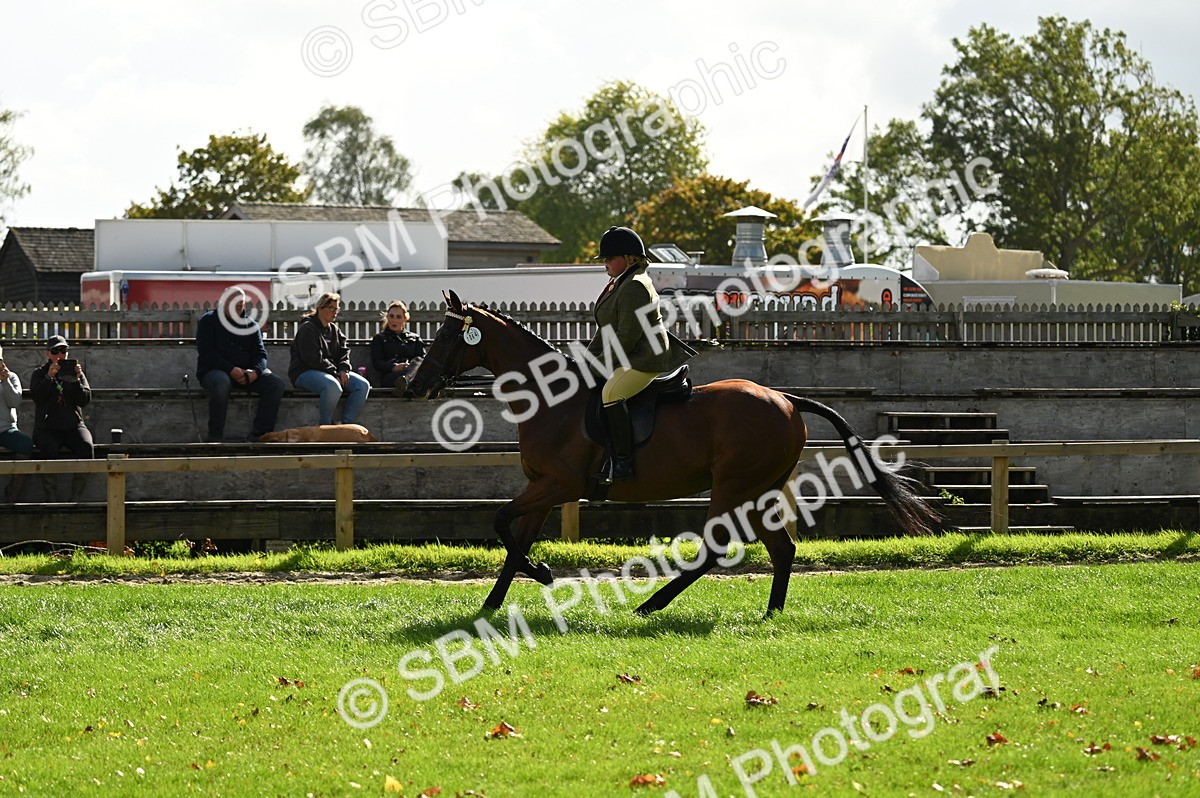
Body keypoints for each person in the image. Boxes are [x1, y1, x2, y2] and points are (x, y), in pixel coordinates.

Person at [585, 226, 696, 483]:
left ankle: (623, 462)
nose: (605, 263)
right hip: (630, 354)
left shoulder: (634, 286)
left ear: (630, 258)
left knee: (611, 393)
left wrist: (598, 367)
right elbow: (605, 331)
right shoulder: (619, 284)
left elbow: (626, 337)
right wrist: (587, 363)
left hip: (645, 358)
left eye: (610, 258)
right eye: (604, 259)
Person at [196, 287, 286, 442]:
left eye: (241, 302)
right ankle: (215, 437)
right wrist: (231, 370)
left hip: (247, 374)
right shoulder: (208, 321)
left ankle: (260, 435)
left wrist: (255, 372)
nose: (238, 305)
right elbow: (207, 353)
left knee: (276, 384)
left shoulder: (252, 325)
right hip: (215, 371)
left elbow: (261, 354)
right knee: (221, 383)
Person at [288, 292, 370, 425]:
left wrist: (344, 369)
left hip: (331, 372)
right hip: (304, 372)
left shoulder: (334, 330)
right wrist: (335, 372)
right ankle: (325, 425)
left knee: (362, 386)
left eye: (337, 309)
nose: (335, 312)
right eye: (331, 308)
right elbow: (313, 358)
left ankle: (344, 424)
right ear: (320, 308)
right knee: (333, 387)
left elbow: (344, 352)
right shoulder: (308, 328)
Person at [30, 334, 94, 500]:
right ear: (48, 353)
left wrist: (76, 381)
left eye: (63, 350)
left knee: (86, 446)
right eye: (55, 350)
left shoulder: (74, 371)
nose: (60, 354)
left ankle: (75, 500)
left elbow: (85, 400)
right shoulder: (39, 373)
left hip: (73, 426)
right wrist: (49, 377)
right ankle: (51, 499)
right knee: (47, 447)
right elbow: (37, 397)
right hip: (47, 428)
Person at [369, 300, 426, 396]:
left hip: (413, 373)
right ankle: (405, 383)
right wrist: (394, 367)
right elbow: (377, 362)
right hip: (391, 376)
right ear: (387, 317)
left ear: (405, 318)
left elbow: (422, 359)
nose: (394, 320)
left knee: (418, 363)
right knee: (407, 380)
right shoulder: (380, 338)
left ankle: (406, 381)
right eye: (391, 316)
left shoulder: (414, 338)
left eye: (398, 317)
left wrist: (410, 366)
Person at [1, 344, 35, 502]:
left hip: (6, 429)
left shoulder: (12, 377)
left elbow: (14, 402)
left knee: (25, 444)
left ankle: (11, 495)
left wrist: (5, 381)